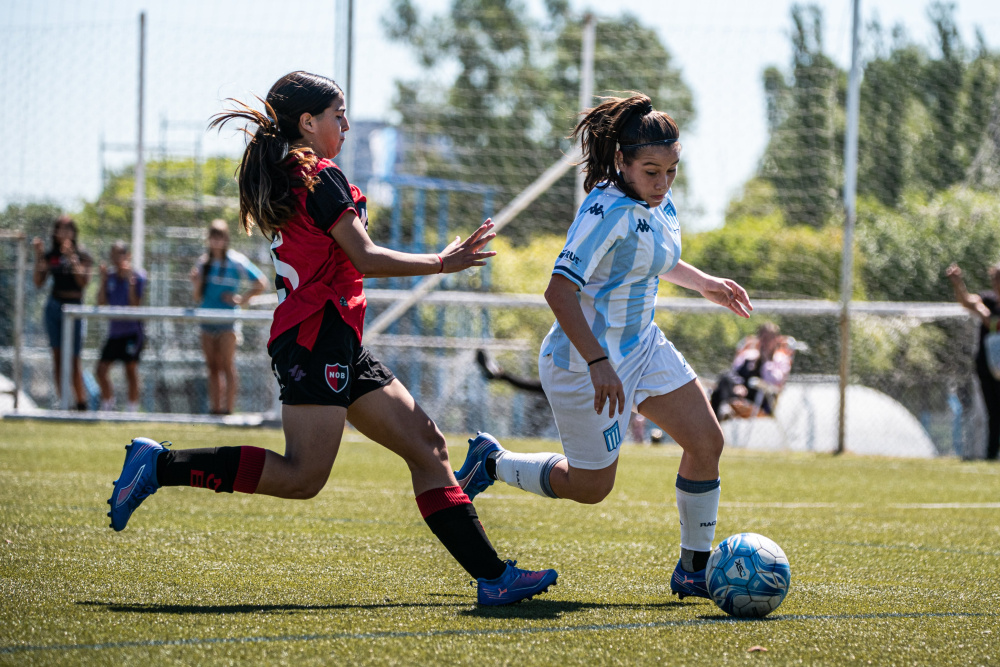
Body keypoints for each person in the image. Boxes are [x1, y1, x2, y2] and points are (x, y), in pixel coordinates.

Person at [108, 71, 556, 606]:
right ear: (307, 122)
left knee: (428, 445)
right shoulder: (318, 176)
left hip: (334, 334)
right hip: (315, 336)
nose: (344, 124)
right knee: (303, 476)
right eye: (336, 115)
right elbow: (364, 257)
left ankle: (493, 577)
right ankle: (158, 465)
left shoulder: (297, 174)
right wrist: (444, 261)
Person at [455, 93, 752, 602]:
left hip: (644, 347)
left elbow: (655, 257)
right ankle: (493, 462)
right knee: (592, 487)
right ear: (622, 161)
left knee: (706, 443)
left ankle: (692, 572)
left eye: (671, 171)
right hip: (581, 362)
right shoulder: (603, 211)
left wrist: (704, 282)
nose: (662, 183)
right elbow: (558, 290)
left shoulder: (657, 201)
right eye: (651, 171)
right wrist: (597, 362)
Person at [189, 218, 269, 415]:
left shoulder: (236, 261)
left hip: (228, 321)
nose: (216, 241)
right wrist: (196, 282)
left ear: (226, 239)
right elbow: (197, 296)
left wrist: (242, 299)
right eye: (213, 237)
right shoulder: (203, 263)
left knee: (227, 365)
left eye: (220, 237)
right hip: (207, 319)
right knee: (212, 367)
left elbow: (261, 282)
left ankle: (228, 410)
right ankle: (215, 409)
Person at [32, 215, 93, 410]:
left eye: (69, 229)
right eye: (61, 228)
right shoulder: (51, 255)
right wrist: (39, 256)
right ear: (55, 232)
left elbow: (84, 281)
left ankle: (81, 403)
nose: (65, 233)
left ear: (74, 233)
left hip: (75, 307)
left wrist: (72, 258)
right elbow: (38, 281)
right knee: (58, 358)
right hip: (55, 306)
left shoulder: (83, 254)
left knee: (74, 359)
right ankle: (64, 403)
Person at [947, 262, 1000, 460]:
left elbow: (993, 322)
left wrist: (986, 315)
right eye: (995, 278)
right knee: (992, 412)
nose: (997, 283)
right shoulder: (987, 300)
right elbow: (966, 301)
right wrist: (957, 283)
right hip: (988, 366)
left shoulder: (985, 307)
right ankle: (991, 454)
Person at [95, 241, 147, 412]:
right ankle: (108, 404)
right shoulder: (109, 277)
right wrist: (102, 280)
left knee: (130, 370)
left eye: (121, 254)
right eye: (114, 255)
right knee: (101, 370)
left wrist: (130, 282)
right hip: (114, 333)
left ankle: (132, 409)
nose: (117, 259)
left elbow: (135, 306)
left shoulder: (138, 276)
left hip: (132, 332)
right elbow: (101, 302)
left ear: (128, 255)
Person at [709, 323, 792, 421]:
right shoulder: (748, 355)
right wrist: (737, 385)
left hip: (760, 397)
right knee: (724, 376)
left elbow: (775, 381)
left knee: (718, 395)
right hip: (739, 391)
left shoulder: (781, 360)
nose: (765, 342)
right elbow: (733, 373)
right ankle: (724, 410)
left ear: (776, 340)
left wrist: (765, 360)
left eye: (769, 338)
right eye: (763, 338)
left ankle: (715, 419)